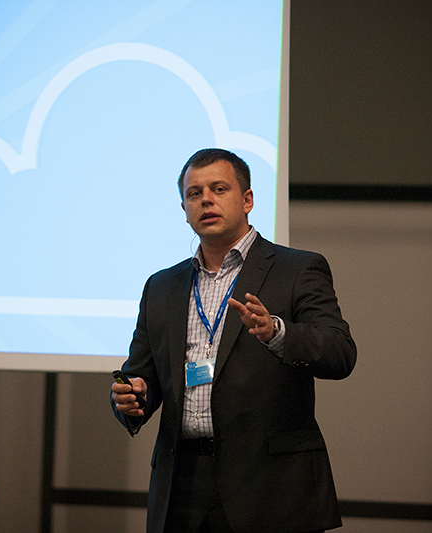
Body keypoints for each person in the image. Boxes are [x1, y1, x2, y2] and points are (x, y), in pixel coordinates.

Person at [111, 148, 356, 533]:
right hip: (182, 486)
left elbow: (340, 353)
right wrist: (131, 398)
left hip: (270, 487)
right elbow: (142, 377)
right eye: (194, 193)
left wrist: (277, 332)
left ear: (247, 200)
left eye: (219, 189)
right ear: (184, 209)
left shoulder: (297, 268)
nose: (206, 200)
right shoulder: (161, 286)